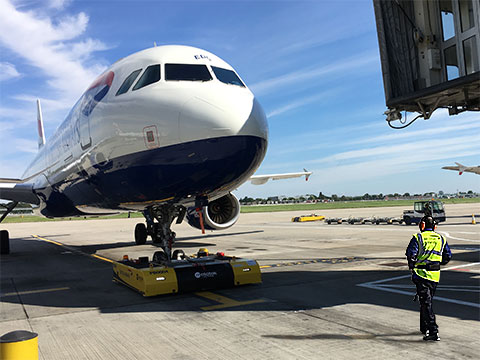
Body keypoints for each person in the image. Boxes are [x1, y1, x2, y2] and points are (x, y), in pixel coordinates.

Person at [405, 215, 452, 341]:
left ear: (422, 225)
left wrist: (412, 266)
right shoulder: (441, 238)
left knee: (426, 303)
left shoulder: (418, 237)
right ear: (435, 226)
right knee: (426, 301)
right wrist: (436, 263)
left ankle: (433, 330)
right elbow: (447, 256)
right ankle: (424, 327)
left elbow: (411, 254)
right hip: (435, 276)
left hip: (421, 275)